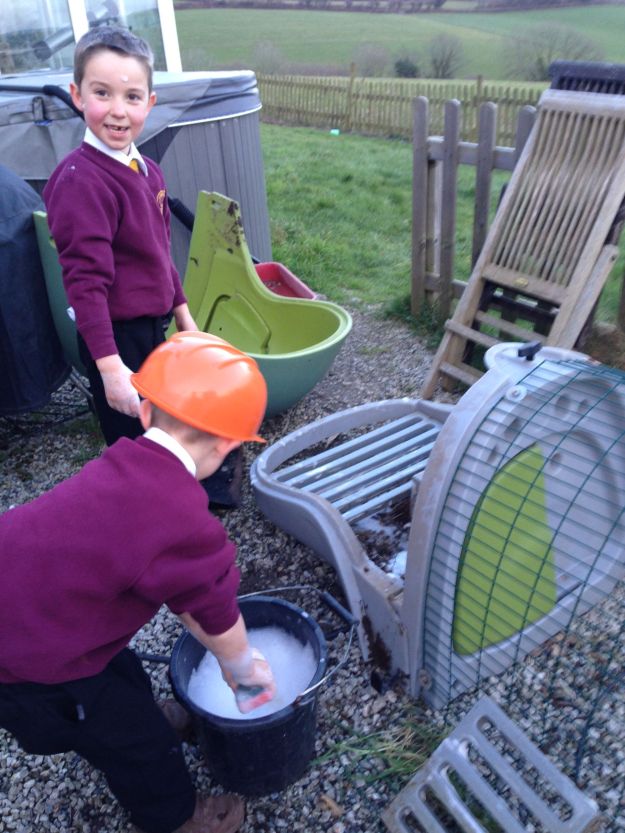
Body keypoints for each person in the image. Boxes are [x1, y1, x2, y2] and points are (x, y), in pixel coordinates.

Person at [0, 332, 276, 833]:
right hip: (29, 660)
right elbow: (215, 611)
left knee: (116, 663)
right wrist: (243, 667)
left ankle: (138, 713)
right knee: (137, 747)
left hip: (35, 608)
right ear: (230, 444)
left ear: (146, 413)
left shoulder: (120, 467)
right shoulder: (186, 523)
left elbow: (182, 595)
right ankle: (177, 818)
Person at [43, 25, 197, 447]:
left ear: (149, 102)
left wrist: (184, 318)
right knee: (133, 442)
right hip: (114, 338)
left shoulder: (148, 171)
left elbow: (159, 253)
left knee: (164, 428)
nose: (117, 111)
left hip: (154, 326)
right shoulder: (82, 183)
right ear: (77, 96)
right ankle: (136, 507)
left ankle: (167, 496)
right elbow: (85, 284)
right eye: (102, 93)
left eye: (131, 97)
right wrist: (111, 371)